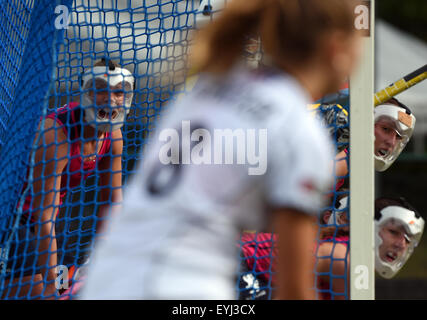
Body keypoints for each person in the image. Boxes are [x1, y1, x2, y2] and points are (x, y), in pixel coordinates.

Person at [81, 0, 362, 300]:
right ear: (336, 49)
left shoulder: (204, 89)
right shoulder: (299, 128)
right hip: (178, 287)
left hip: (106, 279)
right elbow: (294, 290)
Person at [2, 57, 134, 299]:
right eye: (101, 90)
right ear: (86, 92)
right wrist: (52, 283)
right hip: (13, 217)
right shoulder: (56, 134)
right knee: (39, 291)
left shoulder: (113, 136)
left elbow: (112, 204)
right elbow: (44, 215)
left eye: (118, 92)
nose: (112, 100)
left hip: (47, 224)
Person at [238, 194, 424, 300]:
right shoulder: (346, 259)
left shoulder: (351, 258)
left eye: (408, 240)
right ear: (370, 226)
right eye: (394, 232)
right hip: (237, 264)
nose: (401, 244)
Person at [335, 97, 416, 184]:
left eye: (398, 137)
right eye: (385, 129)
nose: (391, 142)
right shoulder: (342, 160)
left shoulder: (357, 169)